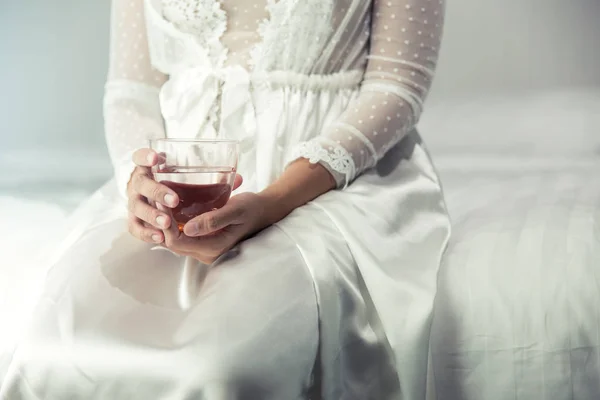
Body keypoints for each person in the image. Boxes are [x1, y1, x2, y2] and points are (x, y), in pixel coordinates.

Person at [1, 0, 450, 398]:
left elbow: (398, 86)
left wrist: (275, 201)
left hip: (324, 182)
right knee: (55, 348)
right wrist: (139, 182)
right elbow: (131, 90)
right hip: (175, 187)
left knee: (219, 367)